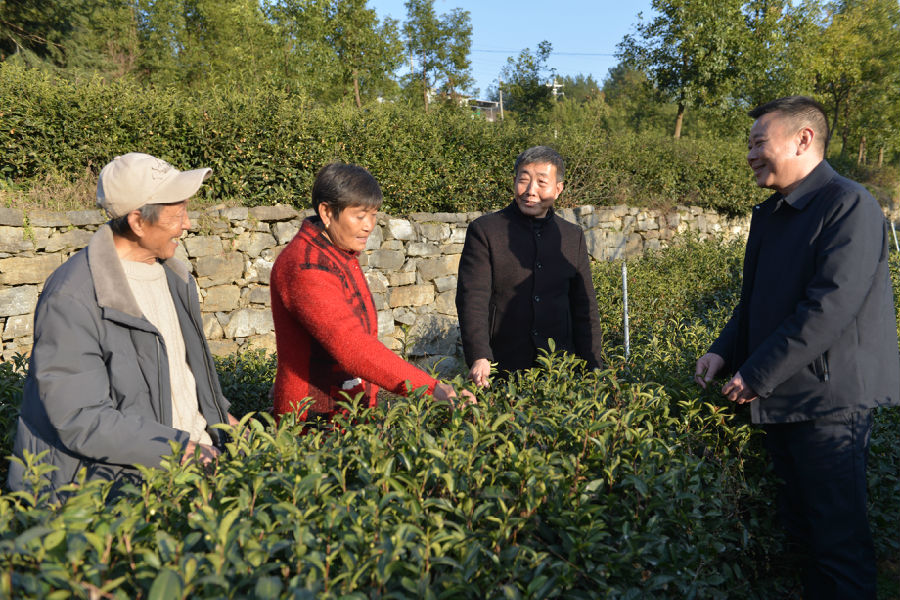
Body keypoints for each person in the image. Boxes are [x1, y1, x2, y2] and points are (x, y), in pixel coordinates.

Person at [694, 96, 899, 599]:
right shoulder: (772, 213)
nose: (750, 155)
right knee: (801, 537)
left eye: (759, 142)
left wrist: (756, 373)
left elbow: (829, 306)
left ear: (803, 139)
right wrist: (724, 350)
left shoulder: (848, 204)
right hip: (782, 400)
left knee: (838, 544)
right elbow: (756, 302)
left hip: (827, 404)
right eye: (750, 145)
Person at [9, 153, 237, 501]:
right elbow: (80, 418)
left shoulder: (174, 277)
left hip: (186, 472)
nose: (187, 224)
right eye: (177, 215)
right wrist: (180, 449)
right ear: (138, 222)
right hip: (114, 495)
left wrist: (221, 419)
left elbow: (181, 377)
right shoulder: (74, 296)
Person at [270, 162, 471, 421]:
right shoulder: (307, 266)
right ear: (327, 212)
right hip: (314, 418)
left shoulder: (335, 252)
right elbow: (352, 346)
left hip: (344, 406)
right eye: (360, 215)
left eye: (374, 214)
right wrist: (431, 389)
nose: (369, 225)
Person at [455, 145, 603, 386]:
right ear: (514, 182)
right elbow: (473, 298)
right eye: (524, 180)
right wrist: (480, 355)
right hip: (502, 365)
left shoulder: (572, 236)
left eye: (542, 182)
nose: (530, 191)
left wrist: (593, 367)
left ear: (558, 189)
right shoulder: (486, 231)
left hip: (559, 368)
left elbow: (584, 307)